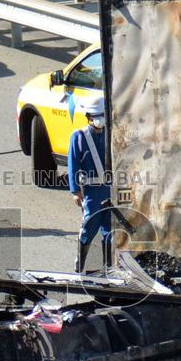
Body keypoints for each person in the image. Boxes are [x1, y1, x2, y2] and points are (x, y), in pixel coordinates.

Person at [67, 97, 112, 273]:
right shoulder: (79, 137)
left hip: (111, 189)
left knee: (110, 230)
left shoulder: (112, 135)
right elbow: (73, 164)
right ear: (88, 117)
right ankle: (80, 263)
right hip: (92, 192)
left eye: (102, 115)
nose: (100, 119)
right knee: (89, 227)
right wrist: (75, 191)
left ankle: (109, 267)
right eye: (96, 116)